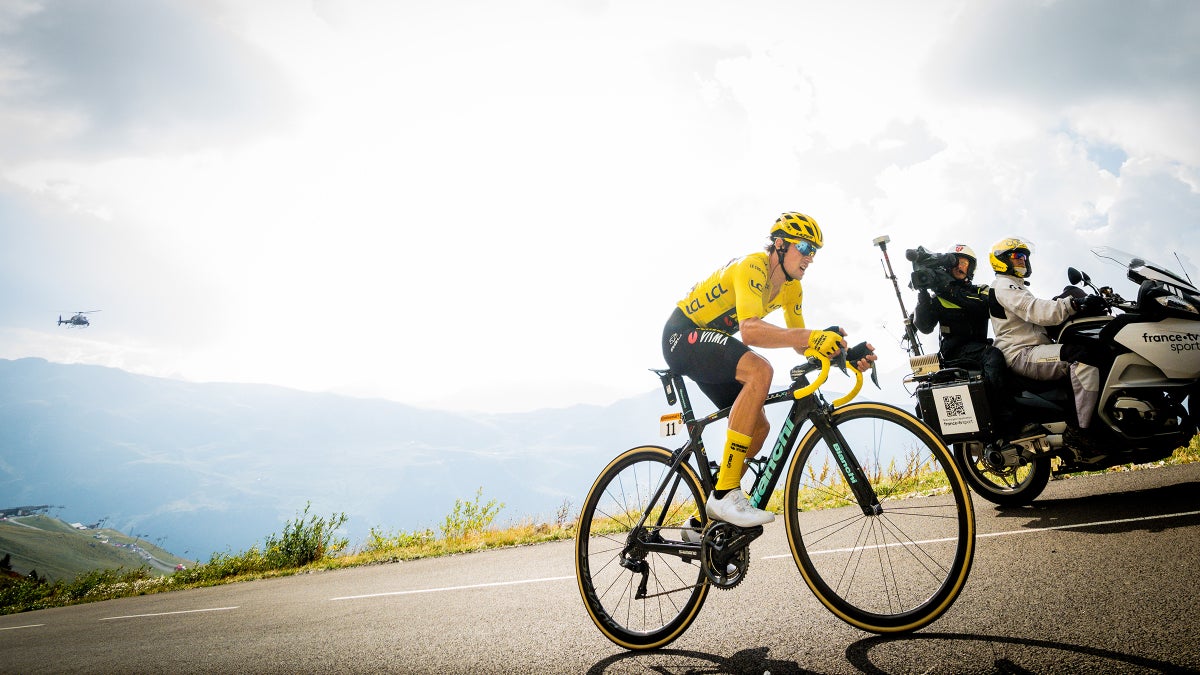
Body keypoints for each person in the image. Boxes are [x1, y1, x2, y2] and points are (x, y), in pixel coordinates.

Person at [662, 212, 877, 528]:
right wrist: (812, 336)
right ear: (780, 244)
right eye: (804, 247)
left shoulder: (792, 290)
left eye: (815, 251)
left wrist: (840, 353)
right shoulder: (753, 266)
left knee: (758, 428)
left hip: (710, 345)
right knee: (760, 370)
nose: (810, 257)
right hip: (682, 335)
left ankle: (705, 523)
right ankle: (725, 495)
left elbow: (802, 345)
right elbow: (750, 331)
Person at [987, 237, 1106, 433]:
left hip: (1033, 349)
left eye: (1024, 256)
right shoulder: (1003, 285)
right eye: (1017, 256)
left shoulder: (1016, 285)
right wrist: (1072, 304)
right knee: (1082, 358)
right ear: (1001, 260)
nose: (1022, 260)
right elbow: (1035, 310)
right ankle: (1084, 430)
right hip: (1021, 353)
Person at [913, 244, 1010, 428]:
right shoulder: (938, 297)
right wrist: (923, 293)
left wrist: (949, 290)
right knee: (994, 355)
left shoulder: (980, 291)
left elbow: (982, 306)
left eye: (964, 262)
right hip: (954, 353)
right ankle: (1000, 414)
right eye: (956, 262)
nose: (960, 266)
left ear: (971, 267)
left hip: (979, 347)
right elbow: (924, 326)